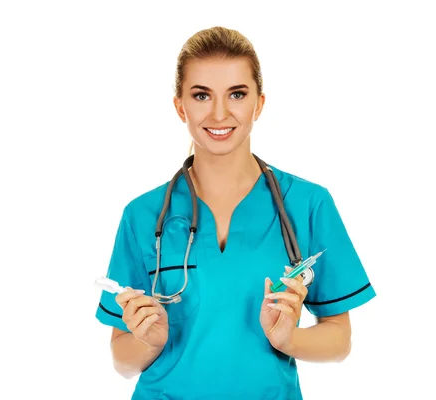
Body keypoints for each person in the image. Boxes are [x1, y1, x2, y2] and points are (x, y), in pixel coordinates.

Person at [95, 26, 376, 400]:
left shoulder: (307, 204)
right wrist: (149, 341)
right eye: (201, 95)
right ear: (180, 106)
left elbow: (339, 341)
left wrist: (290, 338)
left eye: (237, 94)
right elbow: (121, 360)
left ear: (259, 103)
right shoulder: (143, 216)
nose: (219, 113)